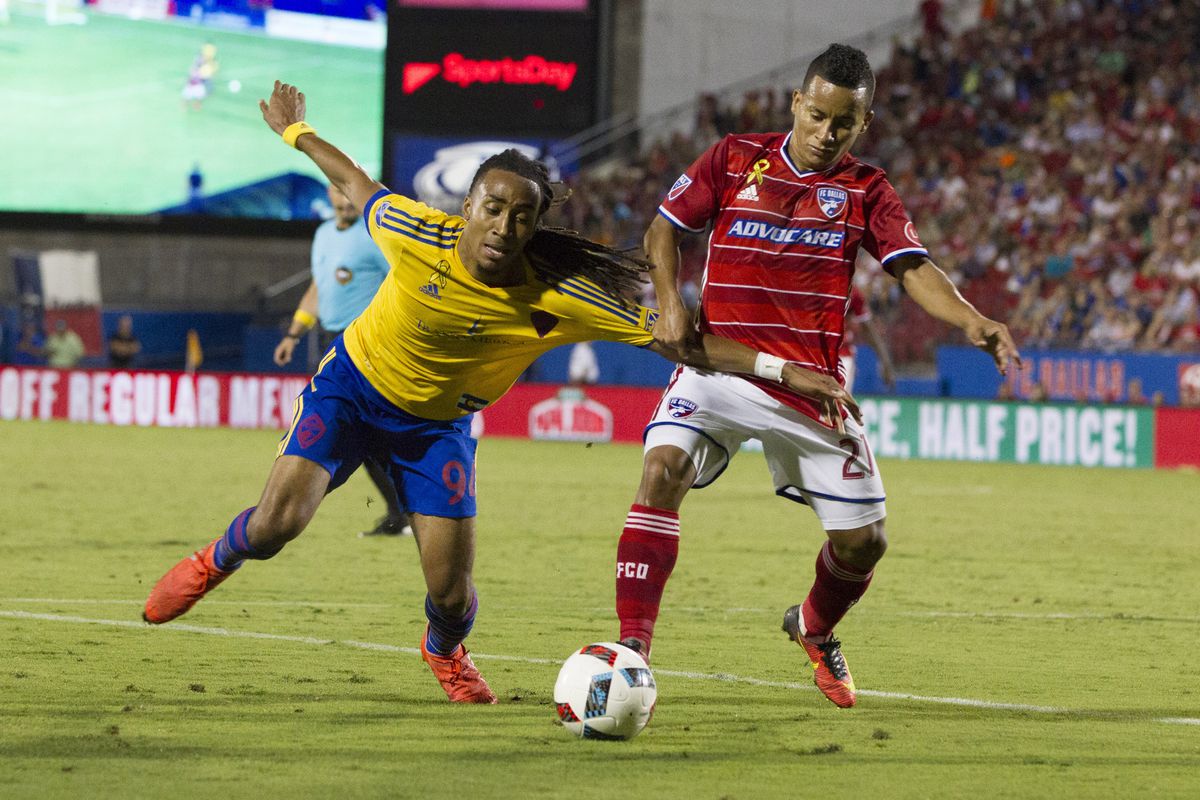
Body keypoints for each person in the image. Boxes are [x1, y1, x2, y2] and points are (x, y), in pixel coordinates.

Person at [142, 81, 856, 706]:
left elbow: (683, 343)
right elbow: (357, 183)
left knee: (451, 596)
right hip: (352, 391)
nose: (504, 227)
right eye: (493, 208)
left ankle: (444, 649)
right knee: (277, 525)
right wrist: (296, 131)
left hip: (437, 429)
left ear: (534, 225)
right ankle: (215, 561)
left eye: (521, 217)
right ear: (469, 204)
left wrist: (783, 370)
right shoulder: (414, 231)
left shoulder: (558, 295)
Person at [614, 44, 1021, 708]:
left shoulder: (866, 189)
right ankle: (631, 650)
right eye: (819, 116)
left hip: (810, 385)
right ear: (798, 104)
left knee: (864, 544)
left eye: (845, 124)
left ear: (862, 125)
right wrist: (668, 301)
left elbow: (913, 269)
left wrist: (972, 320)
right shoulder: (733, 159)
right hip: (718, 367)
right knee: (662, 469)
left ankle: (812, 626)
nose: (828, 134)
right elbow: (664, 231)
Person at [273, 184, 412, 538]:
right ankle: (403, 514)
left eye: (349, 191)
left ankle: (409, 512)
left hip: (369, 345)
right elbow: (318, 288)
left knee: (364, 433)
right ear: (329, 195)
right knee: (365, 438)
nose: (344, 198)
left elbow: (401, 281)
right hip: (330, 343)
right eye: (337, 190)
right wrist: (293, 334)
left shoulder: (373, 236)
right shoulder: (323, 235)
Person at [840, 286, 895, 393]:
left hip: (842, 354)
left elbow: (868, 330)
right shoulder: (810, 286)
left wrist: (885, 362)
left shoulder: (853, 293)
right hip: (814, 353)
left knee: (836, 402)